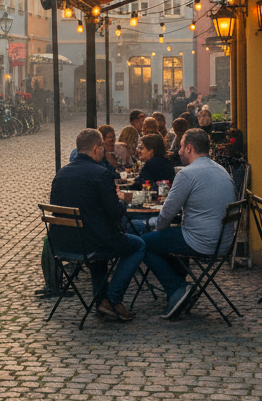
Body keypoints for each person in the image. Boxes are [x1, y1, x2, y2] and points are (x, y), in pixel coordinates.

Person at [138, 128, 239, 318]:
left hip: (201, 241)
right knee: (170, 238)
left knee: (142, 243)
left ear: (190, 148)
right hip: (223, 243)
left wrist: (151, 223)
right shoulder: (222, 170)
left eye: (182, 147)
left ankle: (176, 287)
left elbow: (165, 217)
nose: (178, 151)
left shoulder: (187, 174)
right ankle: (179, 284)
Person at [48, 128, 146, 321]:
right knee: (138, 245)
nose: (104, 151)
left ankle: (101, 302)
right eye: (102, 147)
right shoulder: (101, 174)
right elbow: (115, 213)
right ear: (95, 149)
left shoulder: (61, 174)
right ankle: (112, 298)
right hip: (93, 242)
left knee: (98, 254)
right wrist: (123, 201)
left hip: (62, 243)